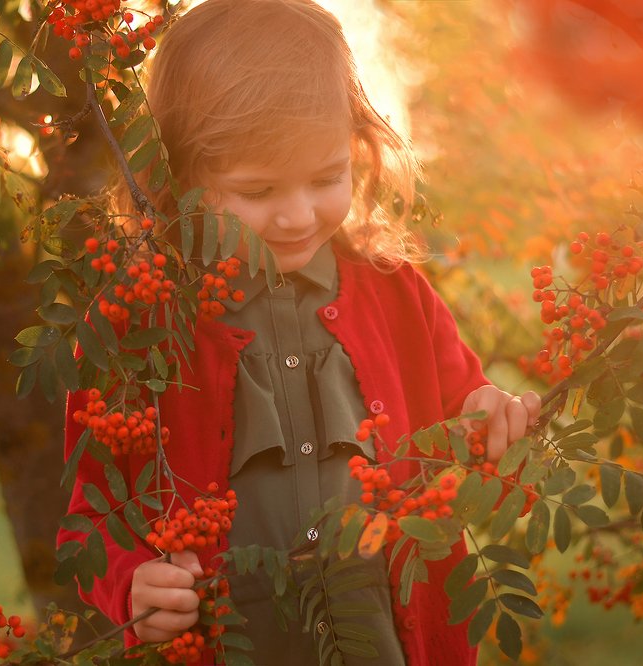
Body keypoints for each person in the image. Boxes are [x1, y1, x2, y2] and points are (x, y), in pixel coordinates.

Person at [58, 0, 541, 664]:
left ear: (357, 149)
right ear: (181, 178)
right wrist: (130, 584)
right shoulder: (138, 327)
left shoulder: (394, 292)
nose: (296, 215)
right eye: (257, 192)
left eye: (325, 178)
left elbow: (464, 404)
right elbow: (89, 516)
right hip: (228, 643)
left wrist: (488, 411)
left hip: (387, 634)